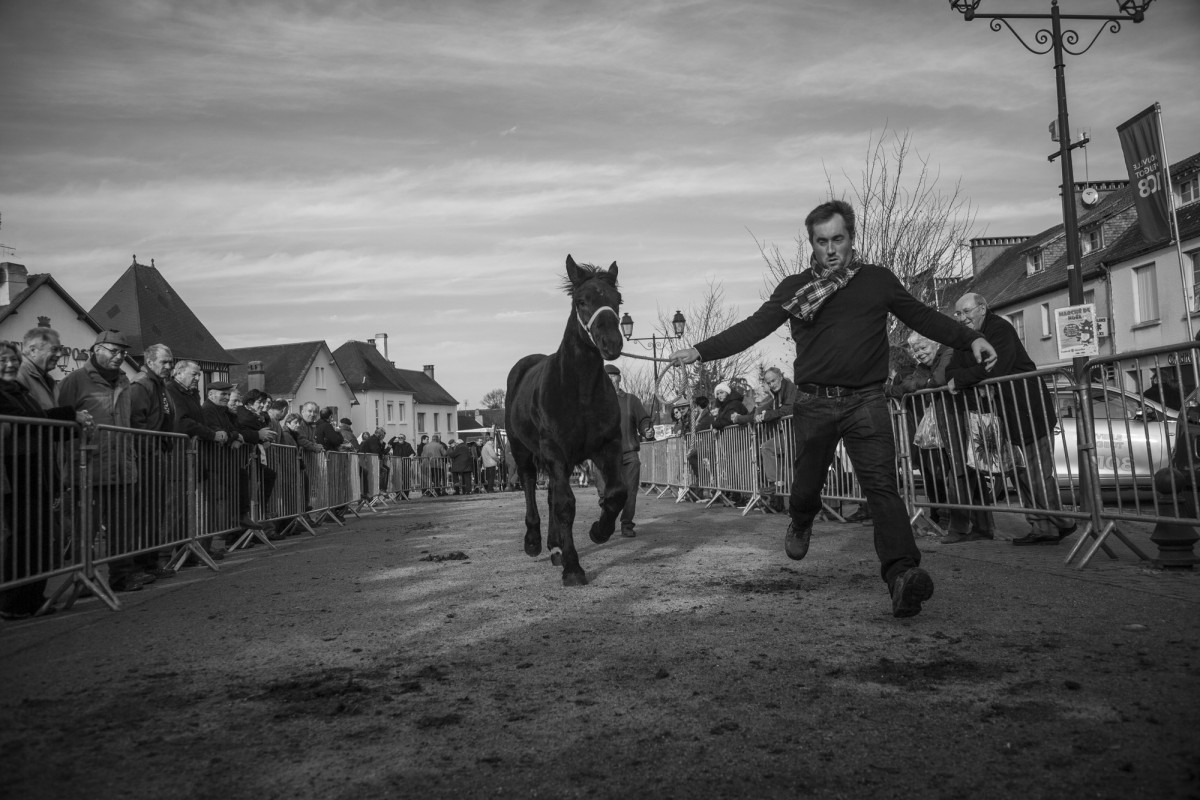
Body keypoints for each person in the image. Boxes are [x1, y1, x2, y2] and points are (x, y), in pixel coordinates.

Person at [670, 200, 997, 618]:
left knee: (882, 487)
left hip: (866, 400)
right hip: (814, 403)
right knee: (806, 486)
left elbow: (922, 316)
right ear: (811, 243)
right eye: (821, 241)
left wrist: (969, 339)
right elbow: (753, 327)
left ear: (851, 238)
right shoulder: (794, 289)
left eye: (837, 239)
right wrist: (698, 350)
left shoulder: (876, 281)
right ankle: (801, 519)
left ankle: (901, 575)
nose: (830, 249)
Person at [947, 293, 1074, 546]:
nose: (962, 318)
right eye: (958, 314)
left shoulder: (1000, 329)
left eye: (966, 312)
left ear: (982, 308)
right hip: (1003, 415)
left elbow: (997, 367)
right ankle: (1042, 527)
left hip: (1028, 409)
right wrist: (965, 376)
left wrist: (962, 380)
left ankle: (1061, 521)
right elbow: (951, 370)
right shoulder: (967, 340)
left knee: (1037, 473)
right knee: (1019, 474)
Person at [0, 341, 92, 618]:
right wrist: (68, 417)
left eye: (13, 360)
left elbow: (40, 423)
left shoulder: (20, 391)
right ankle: (12, 601)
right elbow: (28, 419)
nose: (9, 365)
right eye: (3, 360)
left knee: (38, 537)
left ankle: (31, 597)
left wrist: (72, 424)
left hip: (37, 469)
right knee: (22, 536)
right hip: (15, 472)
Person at [57, 330, 144, 592]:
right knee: (87, 529)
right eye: (114, 351)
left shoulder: (124, 381)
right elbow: (60, 424)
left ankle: (122, 576)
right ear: (97, 350)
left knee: (123, 527)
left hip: (121, 465)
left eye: (123, 352)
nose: (120, 356)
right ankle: (83, 579)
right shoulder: (75, 381)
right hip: (89, 467)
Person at [127, 343, 179, 579]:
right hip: (146, 455)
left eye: (171, 362)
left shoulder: (160, 385)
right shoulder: (142, 384)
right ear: (150, 362)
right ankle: (141, 563)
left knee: (155, 510)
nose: (169, 366)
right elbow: (137, 421)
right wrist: (149, 450)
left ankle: (150, 561)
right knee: (144, 511)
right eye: (164, 362)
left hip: (158, 454)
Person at [591, 364, 654, 537]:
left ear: (619, 378)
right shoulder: (593, 402)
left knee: (629, 494)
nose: (610, 380)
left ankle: (627, 524)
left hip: (628, 454)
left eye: (613, 376)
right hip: (602, 456)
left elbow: (643, 420)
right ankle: (607, 522)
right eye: (605, 377)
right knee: (605, 495)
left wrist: (647, 429)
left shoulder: (630, 400)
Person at [755, 367, 797, 511]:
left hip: (796, 433)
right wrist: (764, 416)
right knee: (788, 468)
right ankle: (778, 488)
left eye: (773, 380)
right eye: (769, 382)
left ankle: (776, 485)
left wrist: (768, 415)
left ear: (780, 376)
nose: (772, 384)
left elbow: (789, 409)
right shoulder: (777, 393)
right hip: (787, 433)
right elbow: (773, 411)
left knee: (768, 448)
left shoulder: (790, 388)